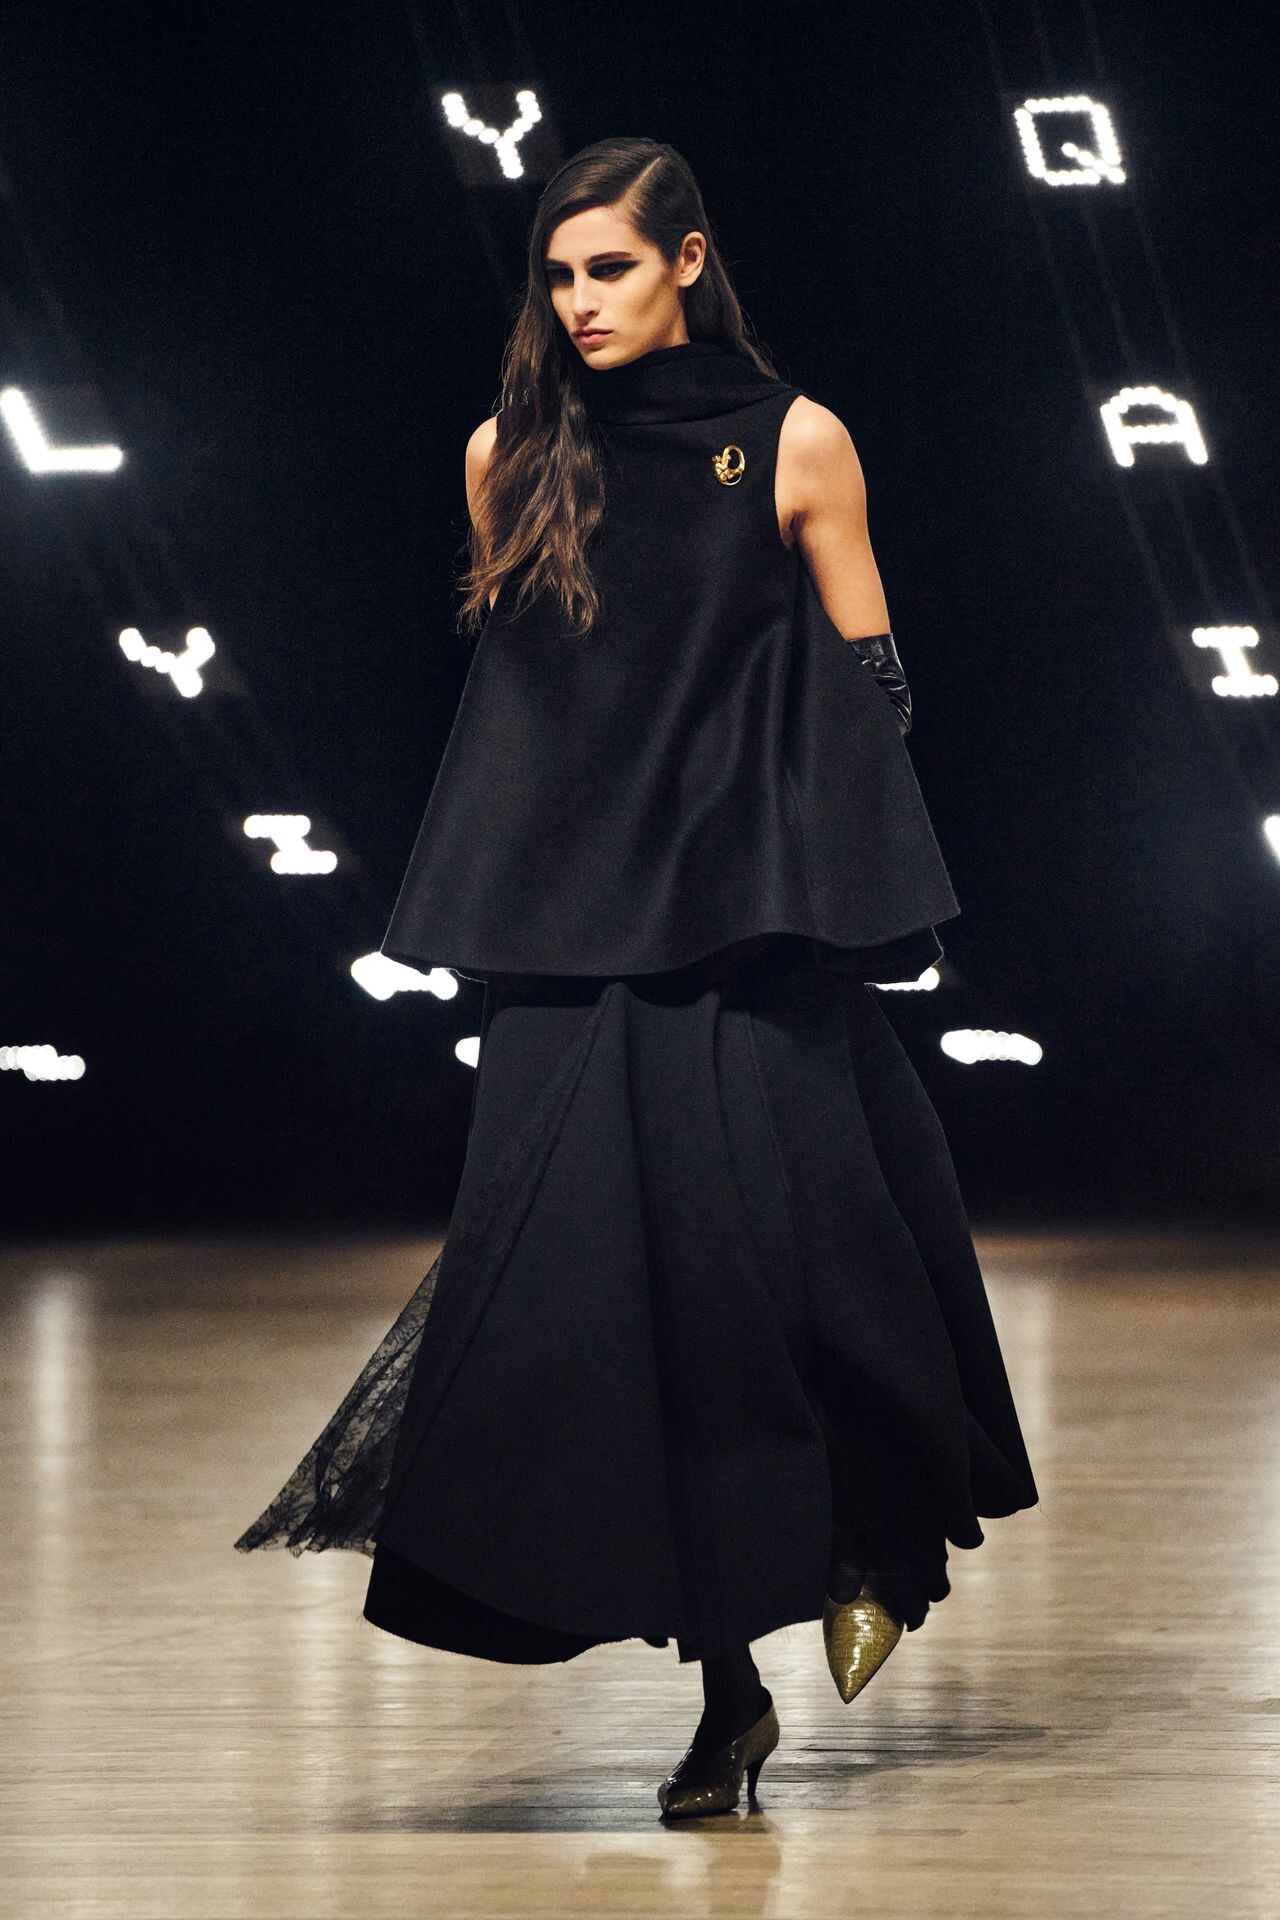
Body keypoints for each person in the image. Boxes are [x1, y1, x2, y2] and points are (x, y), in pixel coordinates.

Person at [235, 135, 1039, 1820]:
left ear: (686, 258)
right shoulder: (510, 456)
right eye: (558, 274)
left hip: (747, 939)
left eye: (610, 265)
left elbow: (875, 684)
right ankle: (728, 1698)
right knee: (598, 1314)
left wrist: (798, 849)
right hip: (569, 950)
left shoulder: (796, 439)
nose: (581, 300)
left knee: (811, 1278)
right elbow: (541, 709)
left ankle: (869, 1549)